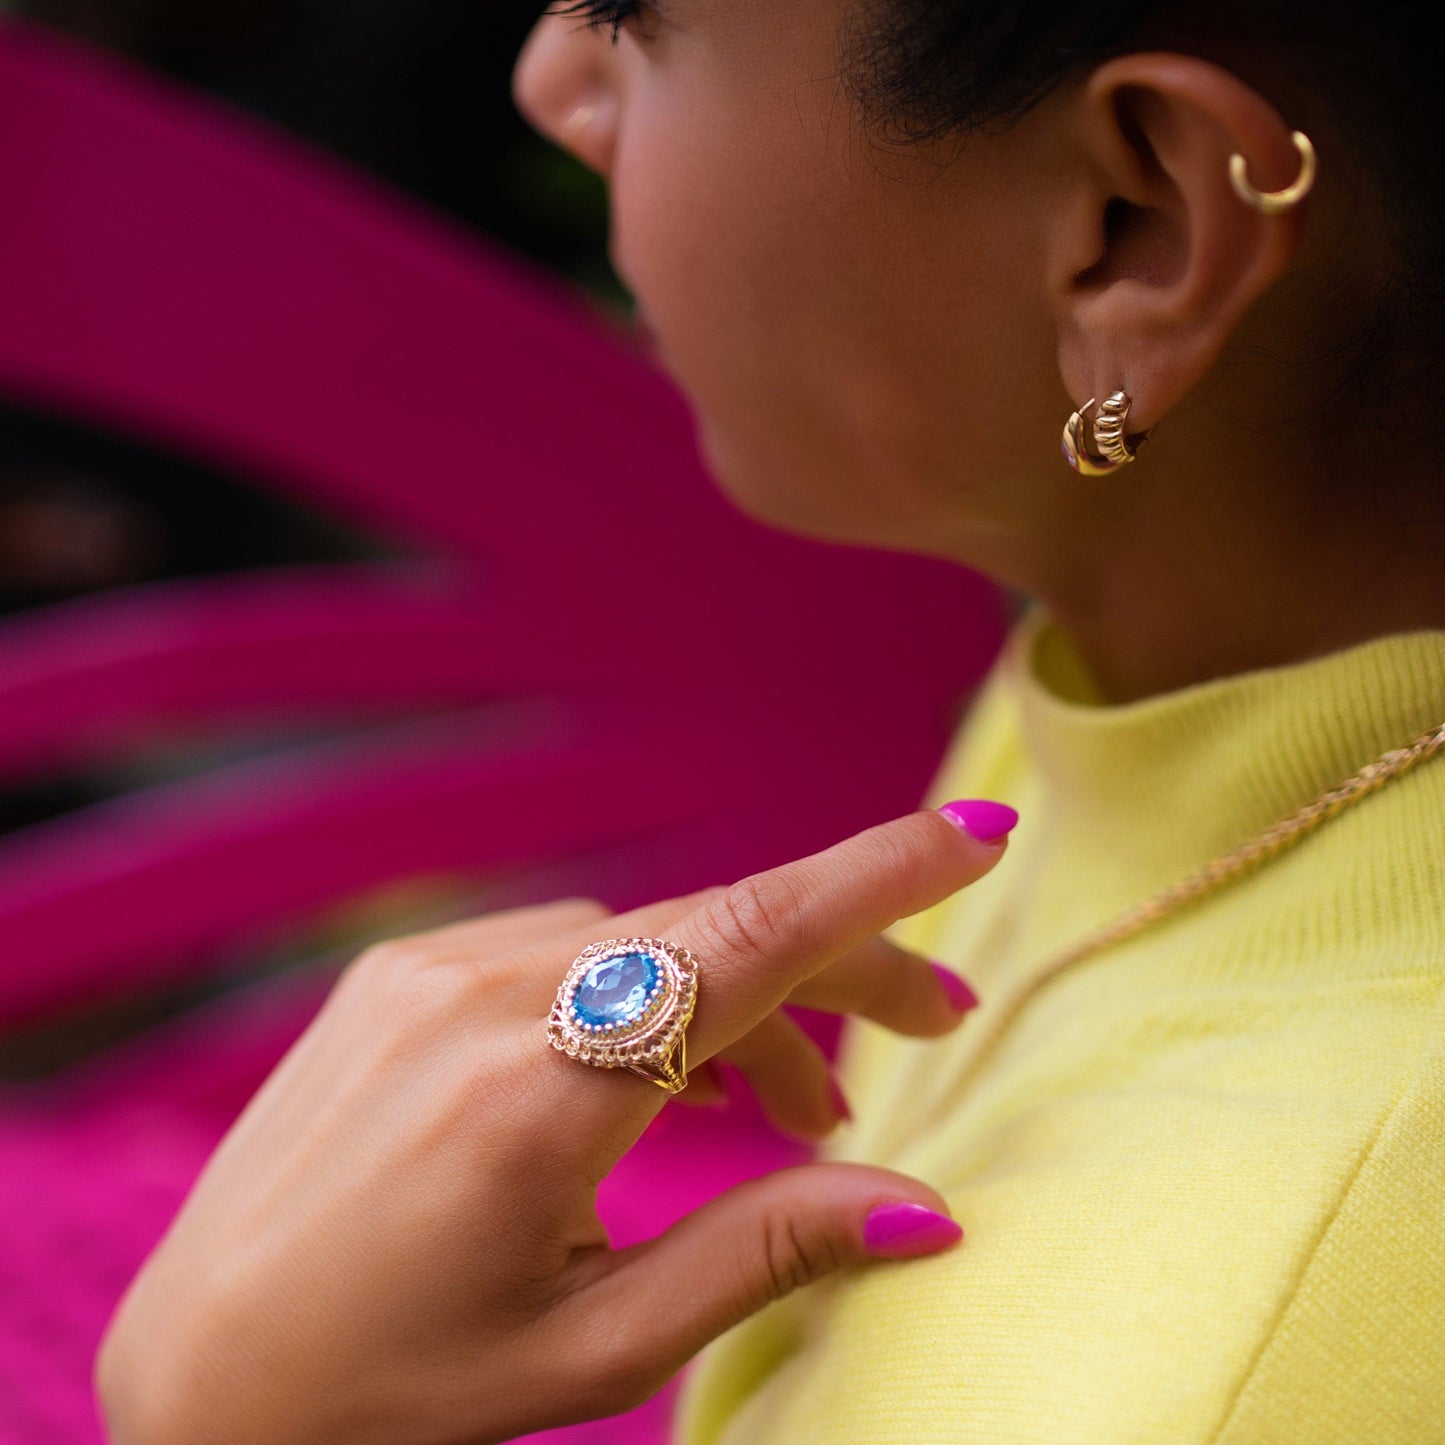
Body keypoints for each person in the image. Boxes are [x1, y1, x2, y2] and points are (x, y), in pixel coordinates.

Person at [96, 0, 1445, 1440]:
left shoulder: (1188, 1379)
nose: (549, 83)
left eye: (631, 19)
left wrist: (227, 1414)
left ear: (1133, 224)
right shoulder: (1188, 650)